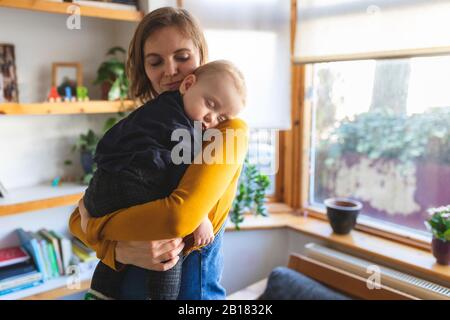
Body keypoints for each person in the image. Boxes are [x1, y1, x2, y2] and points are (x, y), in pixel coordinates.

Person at [69, 7, 248, 300]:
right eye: (155, 62)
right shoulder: (148, 122)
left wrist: (99, 232)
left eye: (182, 57)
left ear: (202, 56)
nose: (170, 71)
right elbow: (81, 213)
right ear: (144, 68)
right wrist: (116, 248)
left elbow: (178, 217)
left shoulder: (226, 130)